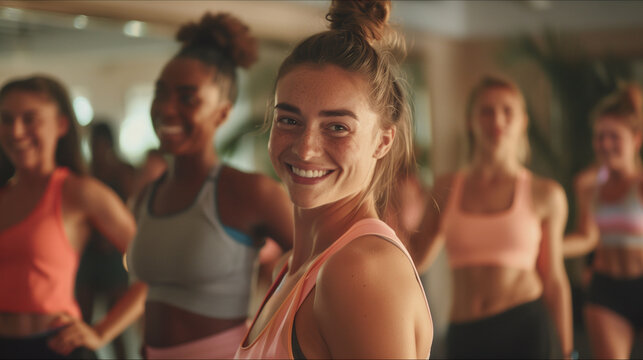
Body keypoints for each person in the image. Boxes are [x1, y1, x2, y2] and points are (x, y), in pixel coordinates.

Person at [235, 1, 433, 359]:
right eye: (289, 120)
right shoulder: (291, 266)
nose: (306, 148)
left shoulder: (359, 269)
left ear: (382, 141)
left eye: (337, 127)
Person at [125, 12, 294, 359]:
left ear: (222, 113)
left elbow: (324, 266)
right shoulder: (147, 195)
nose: (167, 110)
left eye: (188, 98)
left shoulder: (250, 192)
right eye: (161, 94)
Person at [409, 75, 573, 359]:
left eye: (507, 111)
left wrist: (569, 352)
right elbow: (416, 258)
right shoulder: (446, 188)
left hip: (526, 327)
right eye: (486, 111)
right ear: (470, 121)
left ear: (523, 122)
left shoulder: (546, 193)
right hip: (465, 332)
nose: (496, 119)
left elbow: (555, 280)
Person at [0, 75, 146, 359]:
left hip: (57, 348)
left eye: (30, 119)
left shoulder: (78, 192)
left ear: (62, 125)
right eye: (6, 119)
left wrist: (102, 332)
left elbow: (153, 269)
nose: (16, 131)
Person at [563, 83, 643, 359]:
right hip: (606, 291)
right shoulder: (587, 185)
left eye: (614, 136)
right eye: (600, 137)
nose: (605, 144)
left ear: (636, 139)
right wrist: (544, 246)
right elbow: (586, 237)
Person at [75, 121, 137, 359]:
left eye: (100, 143)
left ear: (109, 144)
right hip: (90, 253)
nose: (96, 148)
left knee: (116, 324)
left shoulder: (121, 171)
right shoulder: (85, 172)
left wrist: (112, 238)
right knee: (83, 319)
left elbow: (129, 209)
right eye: (93, 143)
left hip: (113, 254)